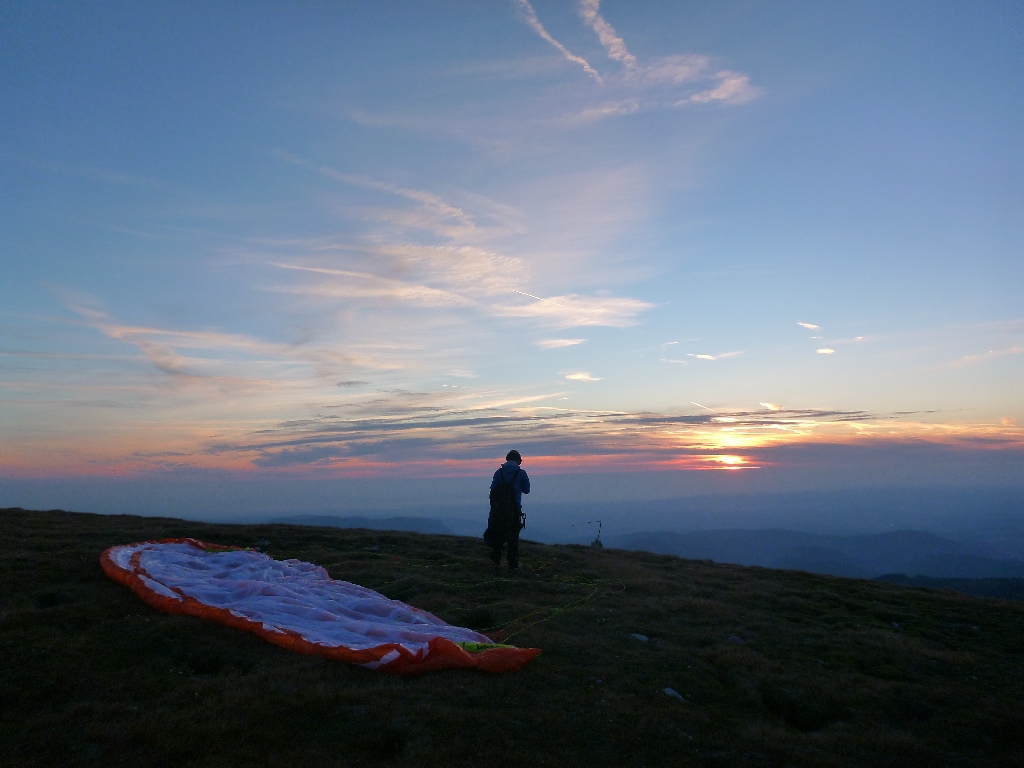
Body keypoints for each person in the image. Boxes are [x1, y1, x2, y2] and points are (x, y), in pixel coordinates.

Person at [487, 450, 531, 572]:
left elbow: (493, 489)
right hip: (513, 510)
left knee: (498, 534)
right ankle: (513, 566)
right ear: (518, 460)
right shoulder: (521, 473)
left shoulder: (498, 472)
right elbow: (526, 490)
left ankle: (495, 562)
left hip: (497, 510)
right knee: (512, 538)